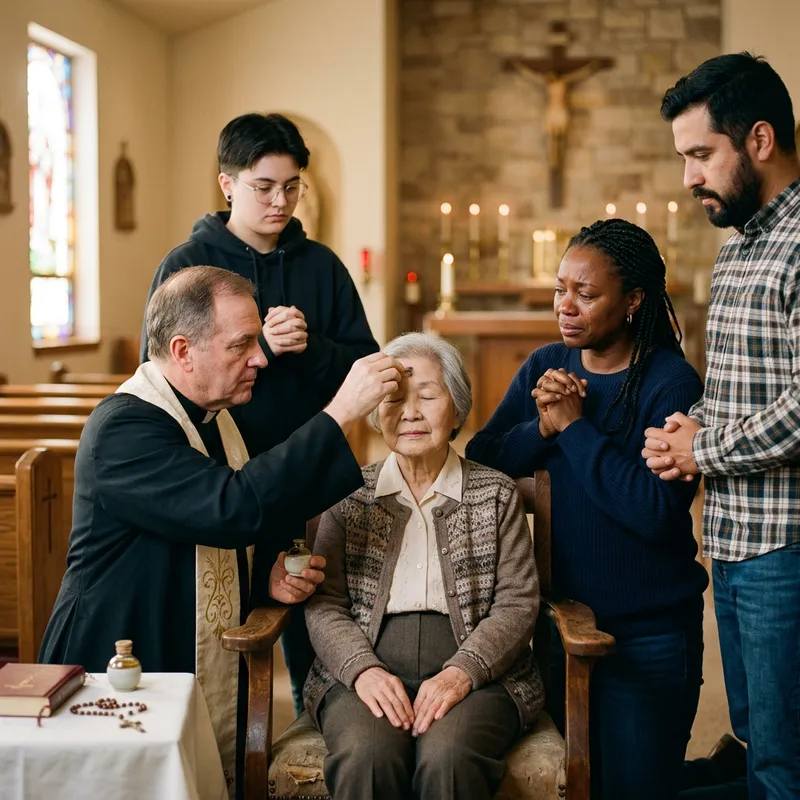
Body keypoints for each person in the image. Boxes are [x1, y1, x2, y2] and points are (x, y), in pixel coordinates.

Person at [40, 266, 403, 799]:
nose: (260, 357)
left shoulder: (216, 417)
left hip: (175, 646)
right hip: (121, 655)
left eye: (258, 340)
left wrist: (265, 580)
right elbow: (229, 508)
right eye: (242, 344)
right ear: (183, 351)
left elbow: (206, 542)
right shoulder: (124, 428)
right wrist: (341, 410)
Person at [140, 112, 379, 714]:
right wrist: (262, 349)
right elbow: (166, 372)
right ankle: (227, 747)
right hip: (218, 476)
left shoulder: (321, 265)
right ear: (227, 183)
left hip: (309, 477)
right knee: (225, 634)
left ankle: (314, 728)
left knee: (316, 626)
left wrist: (313, 347)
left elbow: (367, 363)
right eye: (264, 187)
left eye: (292, 186)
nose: (281, 201)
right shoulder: (187, 264)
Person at [466, 219, 708, 800]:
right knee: (568, 787)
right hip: (558, 628)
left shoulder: (669, 382)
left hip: (648, 635)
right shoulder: (548, 364)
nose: (565, 306)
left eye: (586, 293)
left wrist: (574, 428)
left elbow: (655, 511)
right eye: (560, 289)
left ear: (633, 301)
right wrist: (544, 426)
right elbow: (482, 461)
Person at [644, 53, 800, 800]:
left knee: (784, 764)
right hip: (733, 541)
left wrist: (701, 447)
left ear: (760, 141)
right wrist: (685, 429)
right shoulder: (737, 245)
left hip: (787, 549)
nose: (688, 178)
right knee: (750, 740)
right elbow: (740, 386)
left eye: (701, 154)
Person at [304, 332, 543, 800]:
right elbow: (325, 602)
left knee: (450, 758)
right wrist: (362, 669)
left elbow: (518, 602)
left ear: (457, 408)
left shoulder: (495, 493)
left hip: (478, 668)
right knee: (366, 757)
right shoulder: (348, 494)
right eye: (394, 398)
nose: (410, 412)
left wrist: (463, 671)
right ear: (376, 412)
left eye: (428, 396)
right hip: (366, 662)